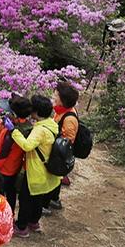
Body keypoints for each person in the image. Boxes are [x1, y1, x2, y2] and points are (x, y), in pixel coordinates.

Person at [7, 94, 60, 237]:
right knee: (38, 199)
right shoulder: (51, 124)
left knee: (25, 199)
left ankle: (21, 227)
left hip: (35, 171)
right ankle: (34, 222)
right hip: (47, 171)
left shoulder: (39, 130)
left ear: (36, 112)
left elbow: (27, 145)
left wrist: (14, 131)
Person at [0, 95, 33, 212]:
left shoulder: (11, 133)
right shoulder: (27, 127)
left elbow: (2, 153)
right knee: (11, 192)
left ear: (14, 116)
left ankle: (1, 215)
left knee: (0, 194)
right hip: (15, 167)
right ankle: (10, 213)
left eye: (9, 112)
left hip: (3, 169)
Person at [47, 81, 81, 211]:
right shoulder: (61, 110)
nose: (53, 97)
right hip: (56, 150)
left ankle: (53, 201)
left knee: (56, 175)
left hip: (59, 154)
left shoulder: (69, 118)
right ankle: (53, 199)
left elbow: (68, 141)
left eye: (56, 95)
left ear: (63, 100)